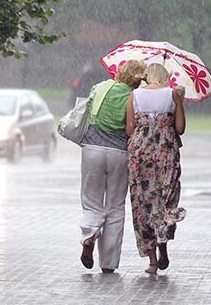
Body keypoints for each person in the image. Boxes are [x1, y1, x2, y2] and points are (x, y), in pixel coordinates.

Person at [79, 60, 146, 273]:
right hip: (119, 153)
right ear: (138, 79)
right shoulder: (134, 97)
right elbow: (132, 127)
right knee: (115, 207)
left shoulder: (100, 87)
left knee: (91, 202)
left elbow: (90, 111)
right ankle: (108, 263)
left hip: (92, 150)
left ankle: (89, 235)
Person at [126, 63, 186, 275]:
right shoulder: (173, 94)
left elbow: (129, 129)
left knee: (143, 202)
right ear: (164, 76)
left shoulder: (135, 95)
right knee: (167, 197)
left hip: (140, 153)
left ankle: (152, 262)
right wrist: (177, 103)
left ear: (147, 76)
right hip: (166, 151)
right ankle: (163, 239)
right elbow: (180, 129)